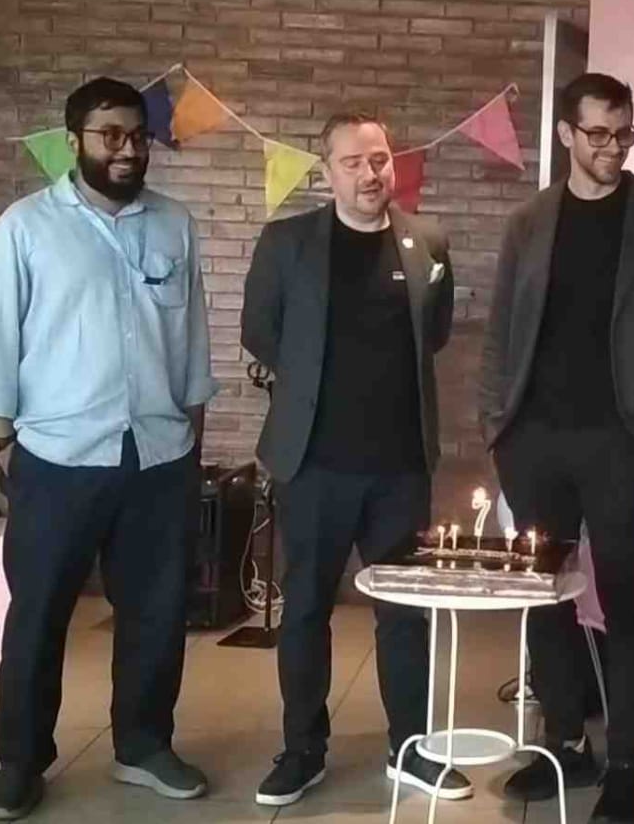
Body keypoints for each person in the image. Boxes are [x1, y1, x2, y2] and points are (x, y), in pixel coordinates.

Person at [0, 77, 217, 820]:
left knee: (157, 613)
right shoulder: (26, 227)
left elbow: (191, 341)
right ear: (74, 140)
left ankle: (143, 746)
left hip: (159, 457)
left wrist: (190, 441)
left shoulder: (173, 224)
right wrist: (3, 444)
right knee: (39, 615)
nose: (128, 148)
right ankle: (20, 762)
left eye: (137, 135)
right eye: (111, 135)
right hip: (56, 459)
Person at [479, 72, 634, 823]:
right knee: (546, 595)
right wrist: (497, 425)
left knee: (625, 596)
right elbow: (501, 330)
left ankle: (625, 765)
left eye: (623, 133)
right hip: (533, 440)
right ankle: (565, 743)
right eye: (598, 133)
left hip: (621, 443)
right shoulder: (529, 221)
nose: (613, 147)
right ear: (566, 135)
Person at [242, 112, 458, 807]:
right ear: (327, 170)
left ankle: (411, 749)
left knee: (404, 613)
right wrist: (313, 382)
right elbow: (260, 330)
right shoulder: (287, 242)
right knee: (306, 609)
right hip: (312, 464)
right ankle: (302, 751)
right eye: (354, 162)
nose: (370, 173)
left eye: (380, 159)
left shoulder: (427, 241)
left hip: (400, 467)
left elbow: (435, 331)